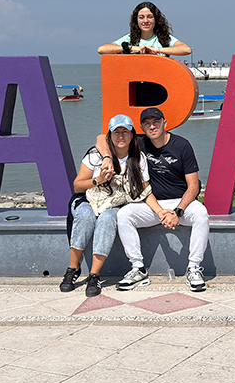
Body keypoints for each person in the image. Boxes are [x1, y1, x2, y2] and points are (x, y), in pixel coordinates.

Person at [96, 107, 210, 292]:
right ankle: (138, 269)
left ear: (165, 123)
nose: (152, 126)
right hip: (152, 205)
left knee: (201, 213)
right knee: (124, 214)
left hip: (180, 203)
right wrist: (107, 157)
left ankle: (194, 268)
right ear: (141, 127)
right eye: (147, 123)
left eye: (156, 122)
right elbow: (101, 138)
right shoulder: (139, 143)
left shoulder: (182, 145)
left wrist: (178, 211)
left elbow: (193, 186)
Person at [59, 114, 168, 297]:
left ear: (132, 135)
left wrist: (160, 211)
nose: (121, 136)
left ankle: (94, 275)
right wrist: (99, 180)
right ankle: (72, 269)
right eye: (116, 132)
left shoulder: (138, 158)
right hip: (87, 199)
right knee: (85, 216)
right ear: (110, 135)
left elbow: (144, 190)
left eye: (125, 132)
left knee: (108, 219)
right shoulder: (96, 154)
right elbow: (77, 186)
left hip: (114, 203)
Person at [97, 2, 193, 56]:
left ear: (156, 19)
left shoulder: (163, 38)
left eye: (150, 17)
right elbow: (102, 49)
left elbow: (186, 50)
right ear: (136, 20)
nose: (145, 21)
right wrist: (132, 48)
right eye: (141, 17)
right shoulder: (130, 38)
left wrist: (157, 50)